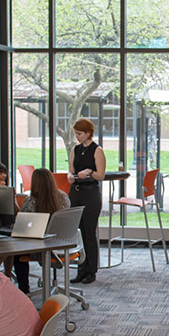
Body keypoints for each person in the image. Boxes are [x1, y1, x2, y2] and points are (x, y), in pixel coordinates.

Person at [12, 167, 70, 294]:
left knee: (16, 252)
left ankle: (24, 289)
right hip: (62, 245)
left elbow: (22, 225)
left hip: (41, 248)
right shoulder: (63, 197)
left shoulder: (31, 200)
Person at [67, 117, 105, 284]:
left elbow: (101, 175)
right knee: (78, 232)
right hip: (75, 192)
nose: (77, 136)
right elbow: (71, 170)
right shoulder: (75, 149)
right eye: (76, 133)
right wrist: (71, 175)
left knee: (89, 232)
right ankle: (81, 269)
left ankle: (91, 270)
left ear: (88, 133)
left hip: (90, 194)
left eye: (80, 133)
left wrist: (89, 172)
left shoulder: (97, 150)